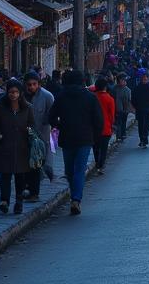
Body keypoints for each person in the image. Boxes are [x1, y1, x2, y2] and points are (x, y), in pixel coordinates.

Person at [49, 69, 104, 215]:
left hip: (67, 138)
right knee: (79, 169)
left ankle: (74, 196)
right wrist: (95, 136)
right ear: (82, 81)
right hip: (85, 138)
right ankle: (76, 199)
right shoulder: (90, 97)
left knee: (69, 170)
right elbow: (98, 120)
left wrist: (60, 125)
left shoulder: (61, 96)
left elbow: (51, 117)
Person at [0, 78, 33, 215]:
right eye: (11, 92)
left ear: (20, 93)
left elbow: (32, 125)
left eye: (16, 92)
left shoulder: (27, 108)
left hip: (22, 147)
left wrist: (29, 132)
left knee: (20, 177)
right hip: (5, 147)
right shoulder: (0, 108)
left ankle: (18, 202)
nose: (13, 95)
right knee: (5, 176)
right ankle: (4, 201)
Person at [23, 71, 54, 199]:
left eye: (34, 84)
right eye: (29, 84)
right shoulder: (21, 96)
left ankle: (34, 191)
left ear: (39, 84)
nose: (31, 87)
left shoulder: (47, 96)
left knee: (36, 164)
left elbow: (52, 115)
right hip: (23, 134)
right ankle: (28, 188)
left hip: (41, 135)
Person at [92, 77, 115, 174]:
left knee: (95, 147)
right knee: (104, 148)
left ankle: (97, 161)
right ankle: (100, 165)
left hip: (94, 128)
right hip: (106, 128)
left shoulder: (92, 97)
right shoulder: (109, 99)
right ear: (105, 87)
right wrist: (111, 125)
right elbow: (111, 115)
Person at [131, 71, 149, 149]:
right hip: (140, 109)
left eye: (146, 79)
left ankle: (145, 137)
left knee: (147, 124)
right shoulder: (137, 88)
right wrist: (136, 106)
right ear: (141, 79)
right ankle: (142, 139)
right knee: (141, 124)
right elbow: (133, 98)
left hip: (148, 109)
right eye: (143, 79)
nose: (145, 80)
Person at [114, 73, 132, 142]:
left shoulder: (128, 90)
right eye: (122, 80)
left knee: (124, 121)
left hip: (125, 109)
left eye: (125, 80)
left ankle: (123, 134)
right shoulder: (114, 89)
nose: (124, 81)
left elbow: (129, 100)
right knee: (119, 123)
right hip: (117, 110)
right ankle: (118, 136)